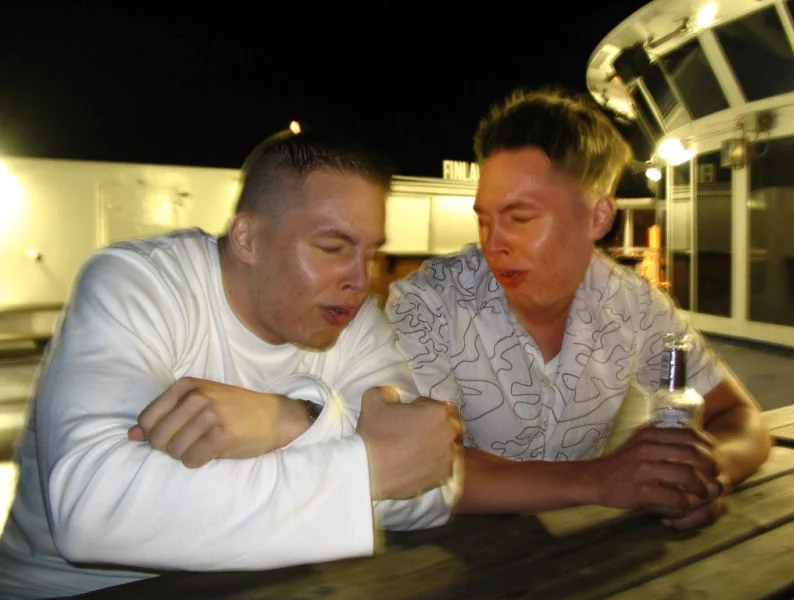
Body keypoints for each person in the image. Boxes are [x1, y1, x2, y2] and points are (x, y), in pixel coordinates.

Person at [0, 128, 462, 599]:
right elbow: (97, 510)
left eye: (372, 252)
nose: (362, 279)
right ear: (247, 237)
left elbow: (430, 487)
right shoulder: (142, 284)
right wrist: (368, 466)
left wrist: (289, 421)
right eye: (332, 248)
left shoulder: (356, 323)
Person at [385, 86, 772, 530]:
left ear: (599, 217)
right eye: (485, 218)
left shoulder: (635, 305)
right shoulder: (427, 304)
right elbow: (409, 464)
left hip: (578, 556)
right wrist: (597, 479)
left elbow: (742, 419)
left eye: (520, 218)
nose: (494, 243)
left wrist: (700, 476)